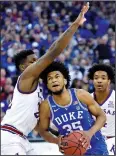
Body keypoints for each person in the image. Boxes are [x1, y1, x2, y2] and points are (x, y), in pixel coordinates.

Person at [1, 3, 90, 155]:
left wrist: (59, 139)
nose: (37, 63)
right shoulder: (26, 77)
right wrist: (75, 24)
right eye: (32, 61)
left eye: (37, 59)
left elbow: (37, 127)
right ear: (23, 68)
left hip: (22, 139)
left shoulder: (36, 91)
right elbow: (53, 51)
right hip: (10, 138)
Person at [37, 61, 108, 155]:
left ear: (65, 80)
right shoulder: (46, 106)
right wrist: (56, 140)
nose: (53, 80)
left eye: (57, 76)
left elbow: (102, 116)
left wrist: (89, 133)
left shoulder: (80, 95)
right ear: (47, 85)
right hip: (72, 151)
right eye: (50, 79)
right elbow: (43, 131)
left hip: (97, 148)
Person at [88, 64, 115, 155]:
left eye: (103, 78)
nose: (99, 81)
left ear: (109, 81)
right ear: (92, 81)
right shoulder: (87, 99)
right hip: (93, 143)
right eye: (96, 78)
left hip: (112, 140)